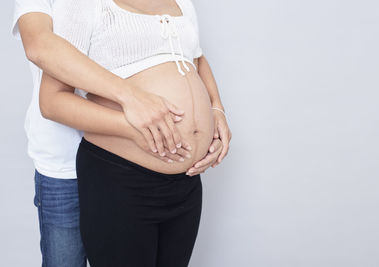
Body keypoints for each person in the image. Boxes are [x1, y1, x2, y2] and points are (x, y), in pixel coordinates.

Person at [12, 0, 231, 266]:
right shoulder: (83, 5)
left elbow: (194, 56)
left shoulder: (180, 2)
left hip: (185, 182)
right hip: (114, 173)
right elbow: (43, 59)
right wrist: (132, 121)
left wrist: (216, 109)